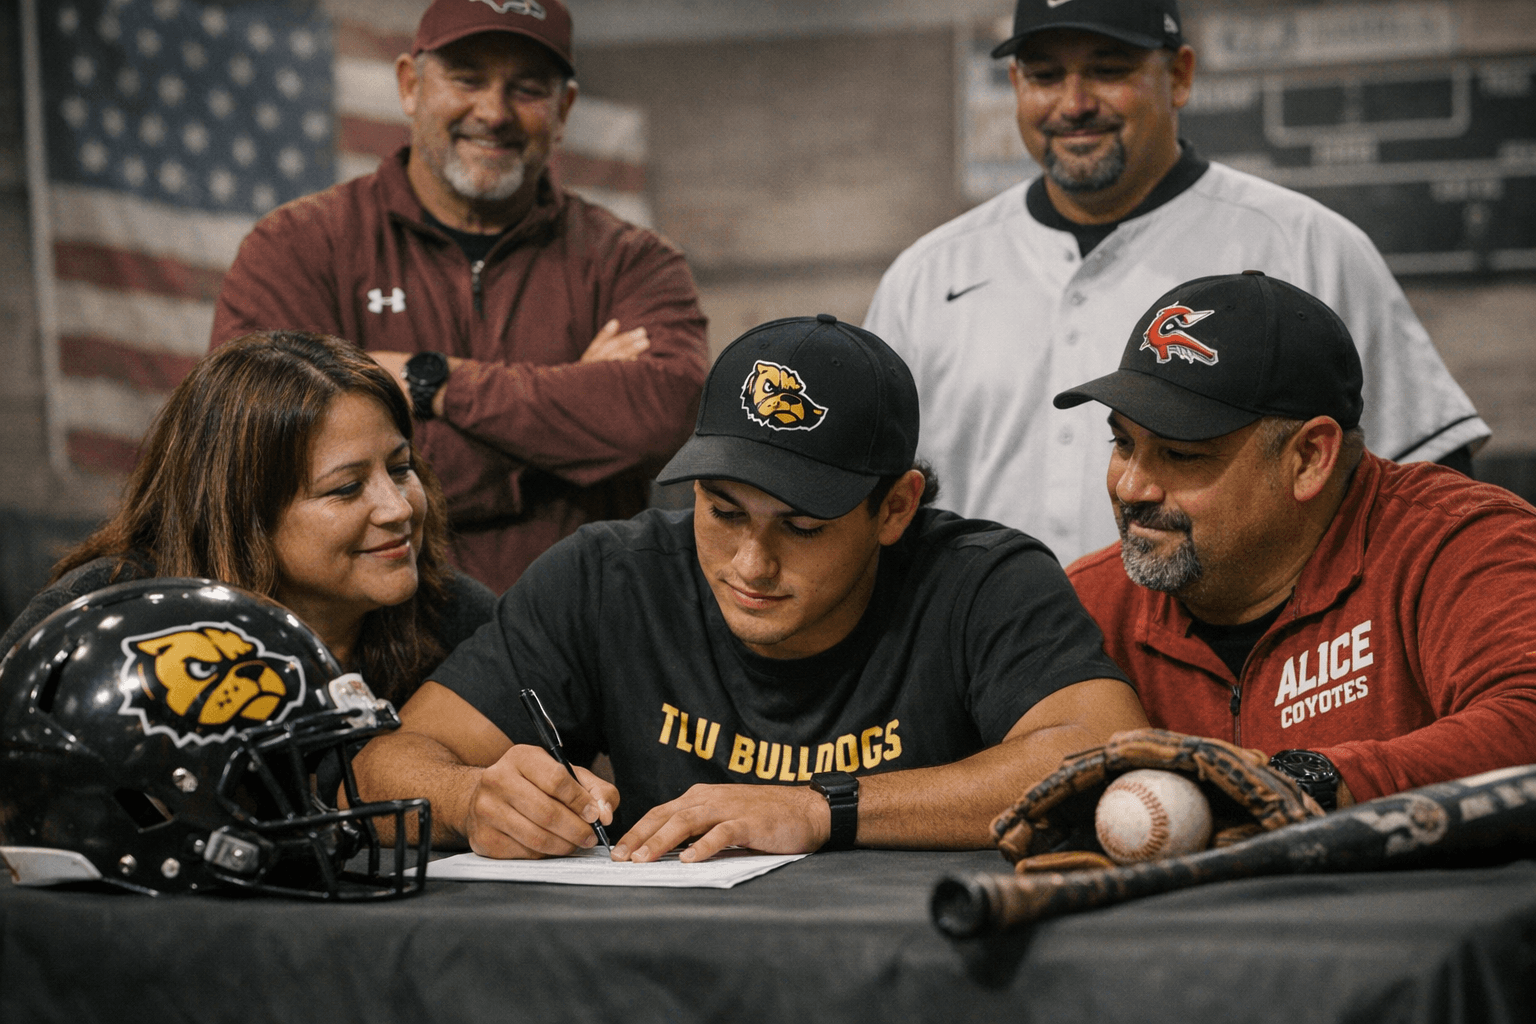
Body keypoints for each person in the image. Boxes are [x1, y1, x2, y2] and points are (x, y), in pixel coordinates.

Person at [352, 314, 1147, 862]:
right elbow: (384, 767)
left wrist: (816, 808)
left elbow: (1103, 753)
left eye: (801, 528)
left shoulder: (980, 580)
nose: (751, 564)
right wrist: (472, 799)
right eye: (723, 512)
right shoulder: (607, 577)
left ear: (896, 507)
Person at [863, 0, 1487, 566]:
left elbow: (1431, 481)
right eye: (1045, 75)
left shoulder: (1303, 242)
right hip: (979, 671)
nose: (1073, 103)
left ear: (1181, 75)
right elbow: (865, 500)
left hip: (1239, 664)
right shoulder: (926, 275)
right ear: (1017, 85)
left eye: (1108, 69)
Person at [210, 0, 709, 593]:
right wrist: (566, 442)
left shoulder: (636, 262)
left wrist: (435, 382)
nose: (493, 112)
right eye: (467, 78)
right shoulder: (295, 249)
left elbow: (662, 420)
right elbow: (268, 459)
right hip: (369, 647)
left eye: (526, 88)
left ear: (564, 109)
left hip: (584, 641)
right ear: (409, 86)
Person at [1054, 270, 1536, 810]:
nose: (1130, 486)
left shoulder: (1457, 542)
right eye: (1122, 443)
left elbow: (1526, 714)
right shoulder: (1087, 606)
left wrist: (1292, 785)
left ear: (1309, 459)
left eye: (1181, 454)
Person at [0, 331, 495, 708]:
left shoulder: (452, 614)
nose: (399, 508)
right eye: (346, 488)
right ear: (242, 509)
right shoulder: (101, 621)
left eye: (400, 468)